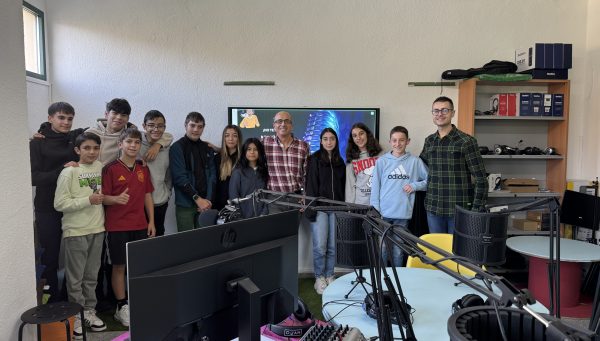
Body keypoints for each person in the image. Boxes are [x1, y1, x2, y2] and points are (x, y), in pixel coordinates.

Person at [29, 101, 84, 303]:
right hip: (47, 207)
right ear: (50, 118)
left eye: (70, 118)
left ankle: (74, 300)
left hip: (73, 205)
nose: (66, 122)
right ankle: (51, 302)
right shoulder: (37, 142)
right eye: (61, 117)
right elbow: (33, 177)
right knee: (50, 256)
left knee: (76, 256)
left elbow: (114, 125)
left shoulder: (74, 138)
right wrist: (62, 172)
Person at [53, 132, 106, 338]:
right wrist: (88, 201)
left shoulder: (100, 167)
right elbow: (59, 204)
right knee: (75, 279)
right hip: (75, 231)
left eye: (95, 148)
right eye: (86, 148)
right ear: (77, 150)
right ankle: (76, 314)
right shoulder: (69, 173)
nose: (92, 152)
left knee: (91, 276)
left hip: (98, 229)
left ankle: (89, 312)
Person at [102, 128, 155, 327]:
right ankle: (121, 306)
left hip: (140, 225)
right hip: (117, 227)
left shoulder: (143, 169)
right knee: (119, 266)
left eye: (136, 142)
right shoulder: (110, 168)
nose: (133, 146)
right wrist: (115, 199)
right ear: (120, 144)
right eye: (129, 142)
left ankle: (135, 302)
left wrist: (151, 221)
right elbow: (103, 198)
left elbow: (147, 195)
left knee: (137, 266)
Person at [420, 96, 488, 234]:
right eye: (436, 111)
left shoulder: (466, 141)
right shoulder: (429, 141)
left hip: (459, 209)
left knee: (457, 252)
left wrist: (475, 210)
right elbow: (420, 167)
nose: (440, 114)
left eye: (445, 110)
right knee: (437, 252)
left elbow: (481, 179)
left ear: (453, 113)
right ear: (432, 113)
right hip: (433, 208)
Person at [371, 126, 428, 267]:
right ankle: (382, 280)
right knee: (383, 248)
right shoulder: (382, 161)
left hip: (402, 214)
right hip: (383, 214)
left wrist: (415, 186)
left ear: (408, 141)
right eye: (394, 140)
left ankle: (398, 281)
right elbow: (375, 187)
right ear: (390, 141)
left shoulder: (415, 162)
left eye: (401, 140)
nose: (398, 144)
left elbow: (430, 181)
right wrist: (376, 210)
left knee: (398, 250)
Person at [305, 128, 346, 294]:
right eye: (325, 139)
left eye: (332, 139)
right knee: (320, 246)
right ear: (321, 141)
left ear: (336, 141)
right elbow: (311, 185)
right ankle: (319, 277)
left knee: (332, 246)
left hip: (335, 208)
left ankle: (330, 275)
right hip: (320, 208)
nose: (329, 142)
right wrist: (312, 207)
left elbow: (343, 187)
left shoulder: (339, 161)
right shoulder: (314, 159)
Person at [85, 98, 173, 165]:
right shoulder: (91, 133)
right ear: (106, 114)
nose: (119, 117)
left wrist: (157, 145)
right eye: (115, 113)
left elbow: (167, 136)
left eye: (123, 115)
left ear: (128, 119)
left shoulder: (131, 134)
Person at [169, 112, 217, 231]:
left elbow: (212, 176)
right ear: (185, 125)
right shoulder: (177, 147)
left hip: (206, 204)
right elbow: (179, 177)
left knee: (203, 240)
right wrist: (197, 199)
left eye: (200, 127)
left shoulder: (207, 148)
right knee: (186, 242)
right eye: (192, 125)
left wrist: (208, 200)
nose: (196, 129)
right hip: (186, 205)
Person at [262, 111, 309, 212]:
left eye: (287, 121)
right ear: (274, 126)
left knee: (294, 228)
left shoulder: (303, 146)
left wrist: (305, 197)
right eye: (279, 121)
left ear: (291, 126)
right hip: (274, 199)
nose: (283, 124)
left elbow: (307, 174)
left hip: (296, 199)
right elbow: (245, 150)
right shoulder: (265, 143)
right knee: (276, 228)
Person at [140, 110, 172, 236]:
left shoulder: (167, 147)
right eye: (151, 125)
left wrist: (167, 193)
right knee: (140, 237)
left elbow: (169, 175)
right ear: (144, 126)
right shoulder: (135, 143)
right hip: (139, 203)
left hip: (160, 201)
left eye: (160, 126)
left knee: (158, 235)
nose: (156, 129)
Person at [229, 138, 269, 218]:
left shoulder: (265, 171)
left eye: (255, 149)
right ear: (244, 152)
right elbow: (233, 197)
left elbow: (268, 195)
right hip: (243, 218)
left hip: (262, 217)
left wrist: (264, 213)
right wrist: (239, 217)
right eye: (249, 149)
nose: (252, 152)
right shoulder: (238, 172)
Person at [345, 122, 383, 205]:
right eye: (354, 136)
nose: (358, 138)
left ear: (367, 134)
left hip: (379, 204)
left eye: (361, 133)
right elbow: (350, 186)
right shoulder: (352, 159)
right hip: (360, 205)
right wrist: (349, 207)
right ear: (352, 139)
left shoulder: (381, 155)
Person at [214, 125, 242, 211]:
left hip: (239, 204)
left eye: (234, 135)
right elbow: (214, 183)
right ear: (224, 139)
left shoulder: (244, 158)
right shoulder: (217, 158)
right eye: (227, 135)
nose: (231, 138)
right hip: (220, 205)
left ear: (239, 139)